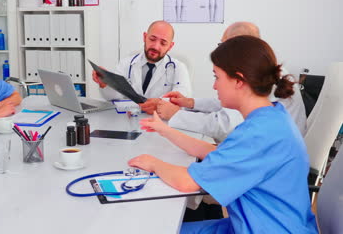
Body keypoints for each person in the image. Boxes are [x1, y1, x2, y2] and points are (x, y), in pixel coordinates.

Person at [129, 36, 318, 233]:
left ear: (238, 80)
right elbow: (214, 152)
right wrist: (165, 130)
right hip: (261, 223)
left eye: (217, 77)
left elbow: (186, 182)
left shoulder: (258, 134)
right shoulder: (270, 116)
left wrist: (152, 163)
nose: (214, 86)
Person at [157, 22, 307, 142]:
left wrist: (176, 115)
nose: (222, 51)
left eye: (224, 45)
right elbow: (229, 105)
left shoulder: (255, 77)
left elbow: (224, 125)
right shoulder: (263, 71)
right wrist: (190, 103)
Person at [92, 20, 192, 114]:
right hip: (130, 120)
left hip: (161, 123)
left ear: (170, 46)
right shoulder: (125, 64)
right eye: (152, 39)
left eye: (163, 43)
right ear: (144, 37)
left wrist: (160, 103)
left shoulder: (179, 68)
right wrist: (105, 83)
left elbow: (182, 98)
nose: (156, 46)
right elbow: (114, 97)